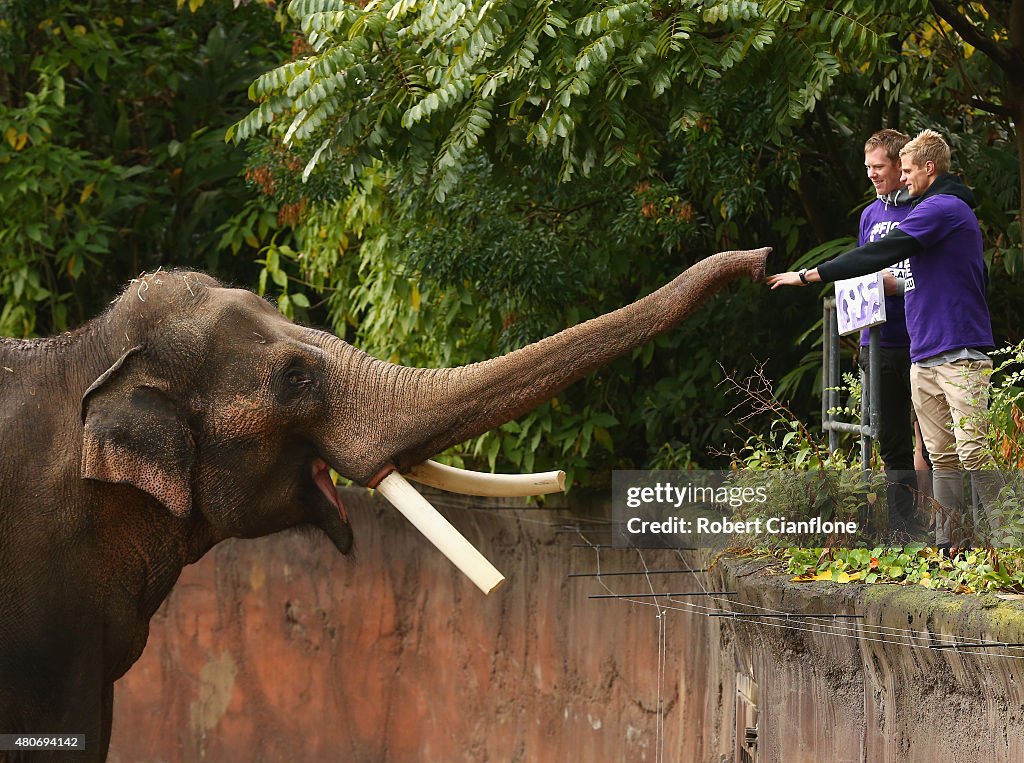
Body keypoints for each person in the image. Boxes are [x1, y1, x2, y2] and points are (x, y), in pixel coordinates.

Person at [768, 129, 998, 550]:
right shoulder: (921, 209)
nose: (903, 180)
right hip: (924, 351)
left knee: (974, 453)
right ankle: (951, 546)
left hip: (959, 351)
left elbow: (880, 253)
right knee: (943, 456)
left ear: (929, 169)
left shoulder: (943, 207)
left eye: (906, 171)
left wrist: (808, 275)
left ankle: (1011, 540)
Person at [856, 129, 921, 535]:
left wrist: (892, 281)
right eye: (868, 168)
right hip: (876, 342)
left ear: (901, 165)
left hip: (918, 337)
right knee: (890, 437)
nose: (873, 175)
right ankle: (902, 526)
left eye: (879, 167)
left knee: (929, 437)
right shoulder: (869, 215)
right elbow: (860, 268)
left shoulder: (922, 209)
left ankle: (939, 519)